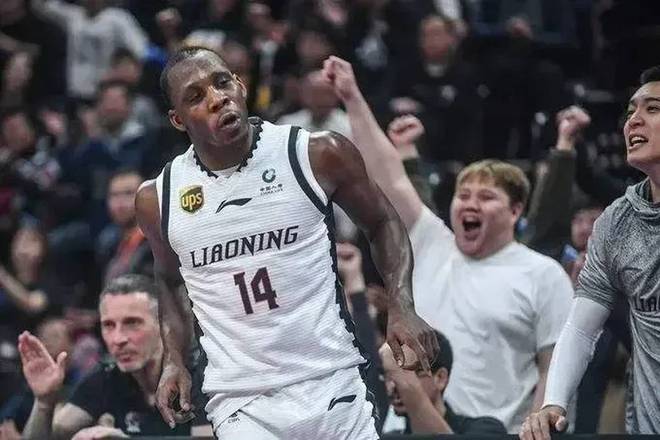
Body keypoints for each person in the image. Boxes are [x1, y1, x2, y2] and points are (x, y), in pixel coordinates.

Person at [135, 45, 438, 439]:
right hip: (242, 401)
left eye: (222, 82)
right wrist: (174, 358)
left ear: (241, 86)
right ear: (178, 119)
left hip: (332, 380)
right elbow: (169, 279)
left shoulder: (316, 153)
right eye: (195, 97)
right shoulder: (159, 198)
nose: (217, 98)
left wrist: (401, 304)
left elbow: (382, 222)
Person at [323, 55, 573, 432]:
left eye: (486, 197)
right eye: (463, 195)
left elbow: (552, 368)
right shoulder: (430, 241)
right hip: (406, 430)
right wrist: (352, 97)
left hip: (494, 434)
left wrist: (537, 432)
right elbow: (389, 176)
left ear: (516, 210)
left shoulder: (543, 274)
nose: (470, 204)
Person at [519, 66, 660, 438]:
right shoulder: (616, 221)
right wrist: (554, 402)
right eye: (631, 111)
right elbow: (582, 329)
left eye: (653, 109)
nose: (633, 121)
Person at [19, 274, 208, 439]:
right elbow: (53, 434)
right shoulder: (106, 376)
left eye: (132, 323)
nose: (118, 339)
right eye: (109, 325)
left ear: (163, 325)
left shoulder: (199, 375)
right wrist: (44, 402)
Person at [379, 331, 507, 435]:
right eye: (389, 376)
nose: (393, 386)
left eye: (408, 372)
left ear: (440, 378)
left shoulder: (487, 430)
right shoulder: (385, 436)